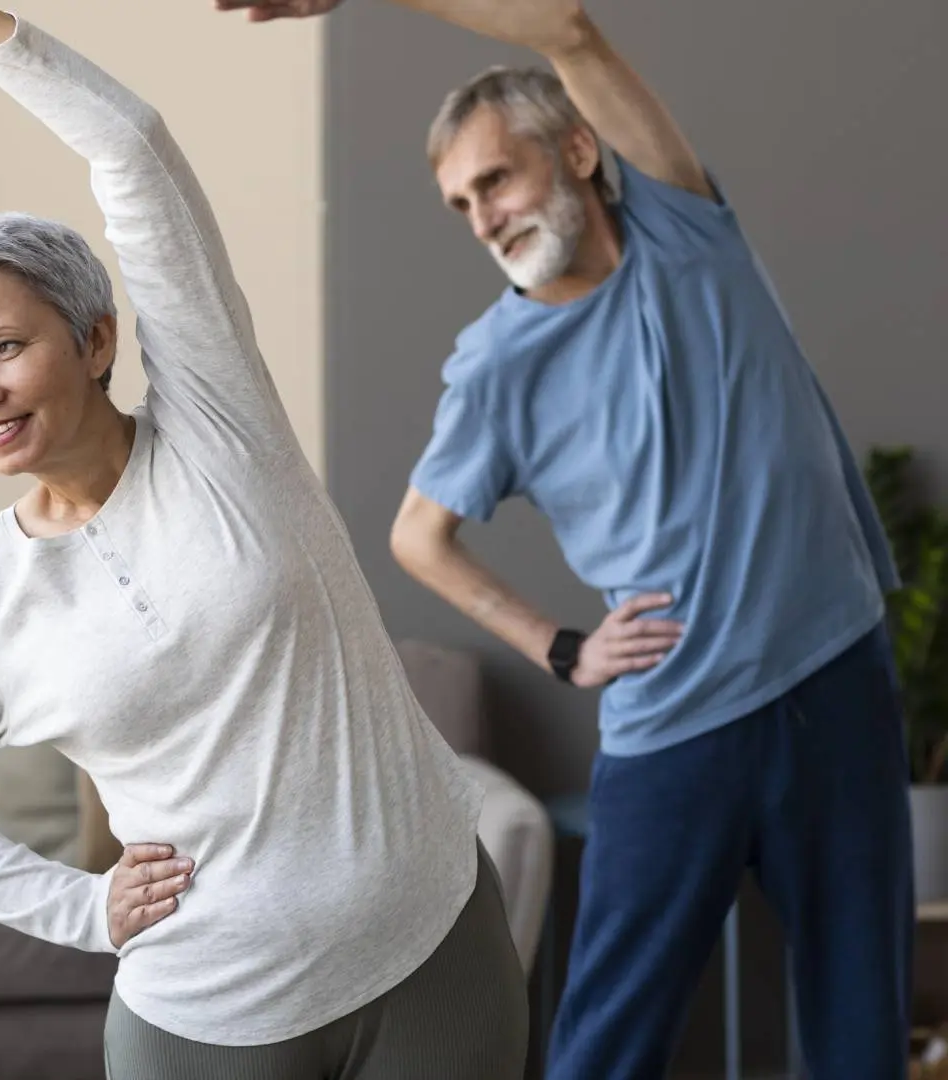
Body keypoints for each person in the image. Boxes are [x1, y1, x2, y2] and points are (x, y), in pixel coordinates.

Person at [0, 1, 527, 1077]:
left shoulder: (221, 428)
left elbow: (128, 143)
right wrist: (84, 909)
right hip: (205, 1022)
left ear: (93, 340)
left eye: (3, 346)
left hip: (434, 957)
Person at [219, 0, 916, 1076]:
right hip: (679, 730)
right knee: (607, 1049)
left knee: (860, 1033)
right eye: (461, 203)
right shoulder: (495, 366)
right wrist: (560, 646)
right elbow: (417, 536)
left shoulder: (687, 230)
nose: (483, 216)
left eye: (494, 180)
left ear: (579, 151)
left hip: (837, 683)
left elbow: (568, 27)